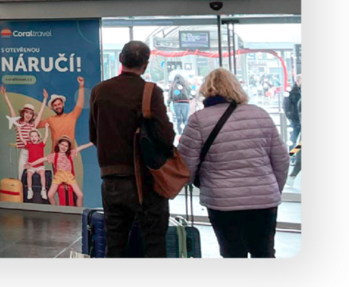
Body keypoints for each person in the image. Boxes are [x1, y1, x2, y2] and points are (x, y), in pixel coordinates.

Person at [178, 68, 290, 259]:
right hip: (263, 199)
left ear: (207, 89)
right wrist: (271, 189)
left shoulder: (198, 120)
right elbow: (281, 159)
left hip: (222, 201)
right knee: (264, 252)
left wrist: (194, 182)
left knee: (233, 252)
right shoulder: (260, 114)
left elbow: (186, 165)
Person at [90, 40, 175, 259]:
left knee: (115, 244)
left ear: (120, 59)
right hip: (145, 181)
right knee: (154, 244)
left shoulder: (99, 90)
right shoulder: (149, 92)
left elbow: (94, 135)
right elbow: (165, 137)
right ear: (145, 65)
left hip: (111, 181)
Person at [0, 84, 49, 186]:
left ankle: (32, 196)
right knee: (21, 176)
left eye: (30, 113)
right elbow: (11, 109)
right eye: (27, 112)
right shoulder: (18, 123)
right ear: (23, 113)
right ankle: (21, 199)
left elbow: (40, 113)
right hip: (24, 153)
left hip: (34, 154)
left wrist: (45, 99)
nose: (28, 115)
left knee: (33, 179)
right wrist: (5, 95)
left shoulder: (33, 125)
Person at [29, 136, 92, 206]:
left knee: (80, 195)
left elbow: (81, 147)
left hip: (69, 176)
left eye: (66, 146)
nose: (63, 147)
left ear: (68, 148)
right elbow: (43, 159)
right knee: (50, 195)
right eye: (62, 144)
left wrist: (91, 143)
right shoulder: (54, 156)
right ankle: (55, 208)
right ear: (58, 145)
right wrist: (32, 164)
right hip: (58, 176)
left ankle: (79, 211)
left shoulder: (70, 154)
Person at [37, 77, 85, 155]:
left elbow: (80, 103)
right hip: (55, 155)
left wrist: (81, 85)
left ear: (63, 104)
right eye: (55, 105)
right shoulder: (50, 119)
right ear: (53, 108)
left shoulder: (72, 116)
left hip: (68, 155)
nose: (57, 106)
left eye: (59, 104)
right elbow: (36, 125)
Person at [22, 127, 50, 200]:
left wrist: (46, 128)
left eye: (35, 136)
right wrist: (19, 129)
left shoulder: (41, 145)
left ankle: (43, 190)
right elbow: (22, 139)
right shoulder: (29, 145)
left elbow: (46, 136)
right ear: (30, 138)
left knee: (42, 174)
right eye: (32, 136)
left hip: (40, 166)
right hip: (31, 166)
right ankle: (30, 190)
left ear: (38, 137)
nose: (33, 138)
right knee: (29, 175)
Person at [284, 73, 302, 150]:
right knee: (294, 139)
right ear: (298, 80)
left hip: (297, 118)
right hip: (296, 119)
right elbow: (286, 105)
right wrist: (291, 116)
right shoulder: (291, 91)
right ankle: (292, 155)